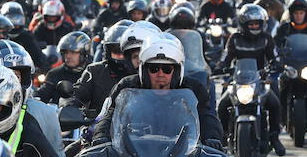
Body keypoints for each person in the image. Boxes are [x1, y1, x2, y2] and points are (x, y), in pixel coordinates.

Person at [92, 36, 223, 148]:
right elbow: (110, 115)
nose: (160, 74)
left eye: (167, 69)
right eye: (154, 68)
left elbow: (207, 116)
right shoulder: (127, 86)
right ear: (144, 70)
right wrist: (101, 136)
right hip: (132, 151)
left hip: (182, 153)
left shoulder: (194, 89)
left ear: (177, 71)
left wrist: (212, 138)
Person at [216, 4, 285, 156]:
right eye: (251, 24)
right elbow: (226, 57)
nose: (254, 26)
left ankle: (274, 137)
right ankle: (222, 136)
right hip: (239, 80)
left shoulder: (266, 38)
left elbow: (274, 57)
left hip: (260, 80)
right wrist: (220, 66)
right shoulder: (234, 38)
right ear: (243, 25)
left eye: (257, 23)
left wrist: (277, 64)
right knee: (222, 105)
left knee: (275, 104)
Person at [69, 22, 131, 114]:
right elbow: (77, 94)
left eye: (126, 52)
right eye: (117, 51)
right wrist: (68, 104)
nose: (121, 56)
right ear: (108, 51)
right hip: (97, 125)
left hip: (138, 126)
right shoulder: (95, 71)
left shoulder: (144, 73)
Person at [35, 31, 92, 104]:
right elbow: (43, 94)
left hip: (87, 114)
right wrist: (35, 97)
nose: (68, 56)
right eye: (66, 52)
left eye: (73, 52)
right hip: (58, 114)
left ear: (84, 53)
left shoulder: (93, 73)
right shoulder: (55, 73)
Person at [0, 1, 47, 73]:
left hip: (23, 73)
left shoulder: (26, 36)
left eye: (17, 20)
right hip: (0, 72)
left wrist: (44, 66)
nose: (14, 26)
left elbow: (37, 54)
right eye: (11, 22)